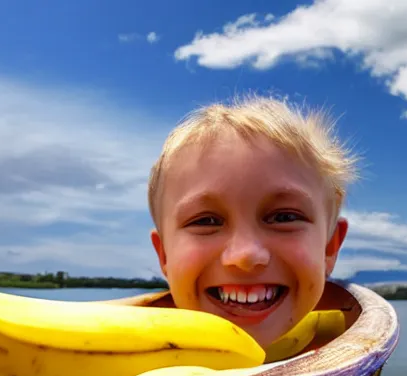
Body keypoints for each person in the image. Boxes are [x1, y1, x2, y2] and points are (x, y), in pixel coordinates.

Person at [120, 94, 357, 349]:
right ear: (164, 255)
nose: (245, 255)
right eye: (206, 221)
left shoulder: (340, 335)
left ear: (329, 247)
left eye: (284, 218)